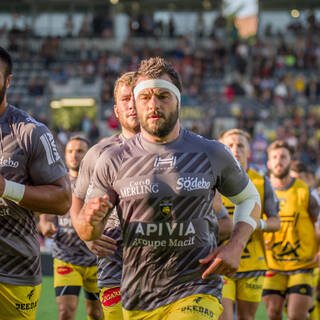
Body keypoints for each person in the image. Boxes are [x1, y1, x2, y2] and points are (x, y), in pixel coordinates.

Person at [76, 57, 262, 320]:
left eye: (163, 96)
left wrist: (236, 245)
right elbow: (88, 230)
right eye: (145, 98)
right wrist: (90, 223)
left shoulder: (211, 152)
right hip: (137, 296)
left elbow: (249, 197)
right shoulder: (112, 159)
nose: (154, 105)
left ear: (178, 101)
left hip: (196, 288)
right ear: (135, 105)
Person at [0, 46, 71, 320]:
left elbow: (63, 199)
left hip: (13, 273)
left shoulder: (29, 132)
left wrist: (7, 188)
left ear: (7, 81)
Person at [70, 71, 140, 320]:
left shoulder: (171, 149)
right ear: (116, 110)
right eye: (125, 99)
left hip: (160, 261)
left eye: (137, 97)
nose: (131, 104)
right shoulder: (99, 152)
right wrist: (86, 234)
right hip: (113, 260)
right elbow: (76, 199)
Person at [38, 136, 103, 320]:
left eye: (80, 151)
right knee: (66, 313)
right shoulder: (59, 183)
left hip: (95, 260)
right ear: (65, 155)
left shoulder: (99, 182)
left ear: (89, 155)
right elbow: (46, 214)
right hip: (66, 258)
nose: (75, 155)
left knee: (96, 314)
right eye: (70, 151)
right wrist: (45, 224)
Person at [218, 129, 280, 320]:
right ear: (221, 148)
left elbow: (275, 222)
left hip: (253, 262)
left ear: (249, 151)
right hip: (220, 262)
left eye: (241, 145)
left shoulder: (262, 182)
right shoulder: (212, 179)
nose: (235, 149)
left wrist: (254, 223)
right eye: (230, 145)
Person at [263, 140, 320, 320]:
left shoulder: (306, 192)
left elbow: (318, 223)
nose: (279, 161)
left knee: (297, 315)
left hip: (302, 264)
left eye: (283, 157)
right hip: (273, 264)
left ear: (290, 161)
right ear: (269, 163)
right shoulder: (262, 191)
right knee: (273, 313)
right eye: (275, 157)